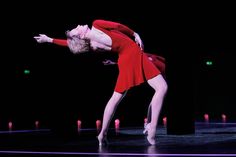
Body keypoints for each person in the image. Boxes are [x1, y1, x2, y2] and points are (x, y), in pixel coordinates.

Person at [34, 19, 168, 145]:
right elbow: (118, 26)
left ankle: (102, 134)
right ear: (81, 36)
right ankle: (151, 130)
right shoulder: (96, 25)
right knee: (161, 88)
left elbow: (69, 43)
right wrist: (135, 33)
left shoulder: (91, 44)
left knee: (116, 98)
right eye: (76, 29)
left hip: (127, 59)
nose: (78, 25)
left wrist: (49, 39)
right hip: (133, 55)